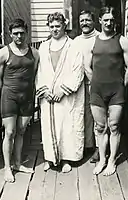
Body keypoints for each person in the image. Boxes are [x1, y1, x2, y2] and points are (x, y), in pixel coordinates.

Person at [89, 6, 128, 176]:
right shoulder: (93, 41)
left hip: (116, 91)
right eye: (106, 19)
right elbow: (86, 66)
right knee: (100, 127)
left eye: (111, 20)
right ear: (100, 20)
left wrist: (120, 85)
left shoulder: (122, 40)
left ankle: (112, 161)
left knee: (114, 126)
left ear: (115, 22)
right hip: (97, 91)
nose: (109, 23)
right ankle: (102, 159)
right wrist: (94, 82)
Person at [36, 12, 84, 173]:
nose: (55, 29)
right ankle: (50, 158)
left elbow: (78, 70)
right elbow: (39, 71)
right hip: (48, 95)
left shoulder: (74, 46)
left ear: (64, 25)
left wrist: (63, 90)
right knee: (48, 126)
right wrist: (44, 90)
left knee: (67, 126)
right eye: (52, 26)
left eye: (58, 26)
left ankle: (66, 159)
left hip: (66, 95)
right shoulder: (43, 47)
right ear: (48, 27)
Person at [0, 19, 39, 183]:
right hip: (10, 97)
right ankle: (7, 167)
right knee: (10, 132)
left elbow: (33, 75)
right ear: (10, 34)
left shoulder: (34, 53)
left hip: (27, 97)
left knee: (21, 131)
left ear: (26, 33)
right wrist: (8, 92)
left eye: (22, 33)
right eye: (16, 33)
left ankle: (18, 163)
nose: (19, 36)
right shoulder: (3, 53)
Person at [73, 10, 100, 163]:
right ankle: (86, 145)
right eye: (82, 20)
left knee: (98, 116)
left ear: (93, 21)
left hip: (95, 82)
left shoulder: (100, 38)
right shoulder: (76, 41)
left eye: (88, 20)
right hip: (79, 84)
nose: (85, 23)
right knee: (82, 115)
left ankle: (99, 148)